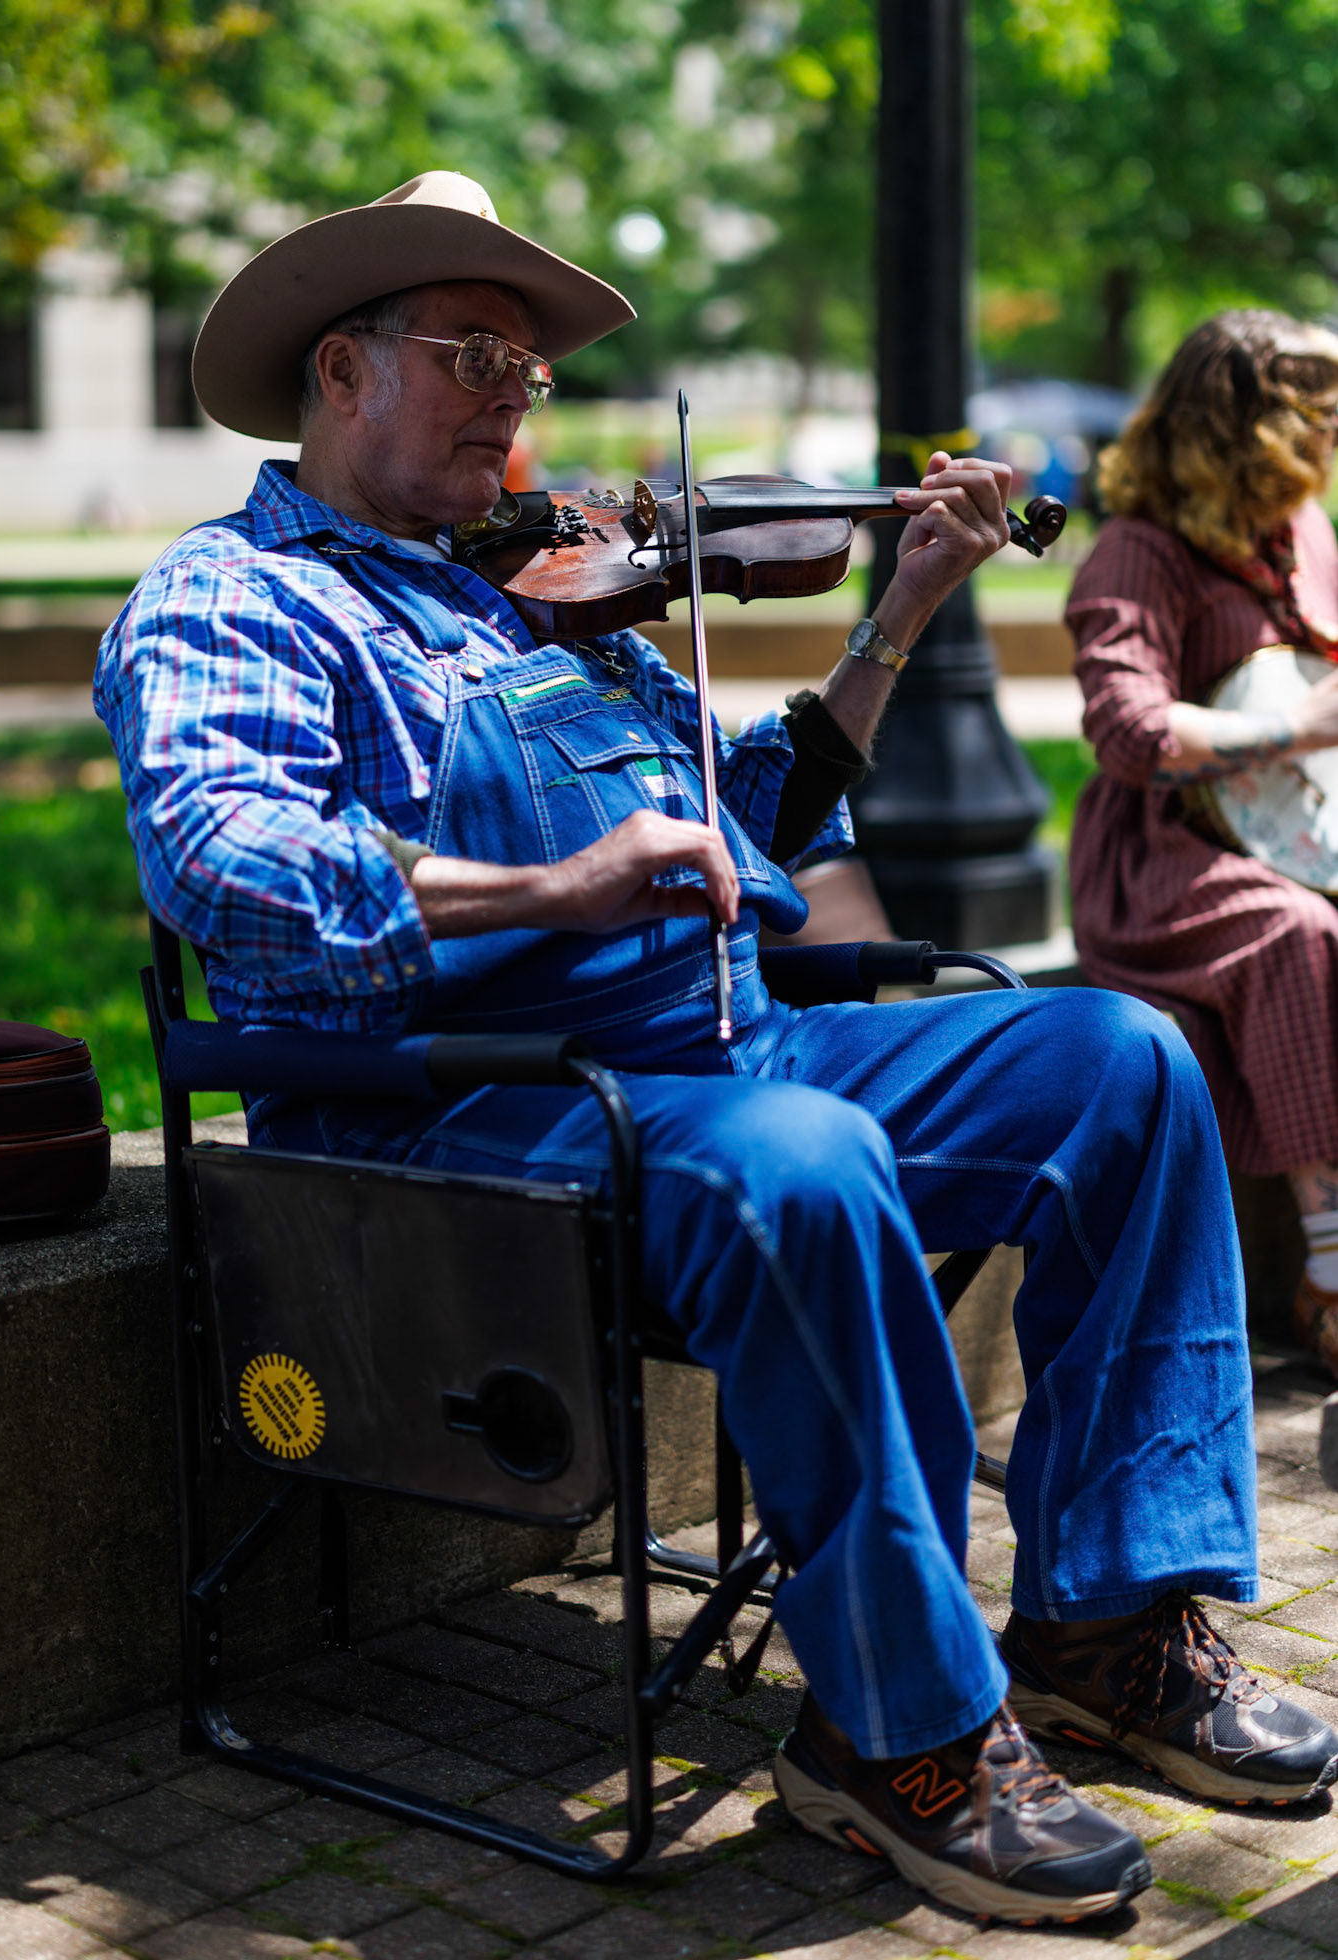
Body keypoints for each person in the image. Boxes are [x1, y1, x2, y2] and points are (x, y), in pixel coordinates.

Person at [95, 177, 1338, 1926]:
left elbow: (745, 825)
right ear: (342, 368)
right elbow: (222, 859)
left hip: (720, 1056)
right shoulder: (235, 595)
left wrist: (898, 614)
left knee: (1122, 1060)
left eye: (528, 368)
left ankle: (1105, 1630)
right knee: (797, 1158)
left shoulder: (539, 595)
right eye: (472, 356)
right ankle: (898, 1730)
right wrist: (552, 884)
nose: (517, 400)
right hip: (462, 1112)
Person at [1066, 310, 1338, 1376]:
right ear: (1250, 426)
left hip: (1299, 828)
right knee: (1292, 932)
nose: (1333, 434)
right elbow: (1129, 734)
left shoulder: (1301, 530)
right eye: (1319, 415)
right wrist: (1298, 728)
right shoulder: (1138, 551)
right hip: (1164, 857)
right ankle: (1327, 1267)